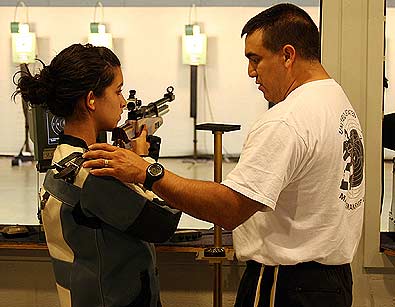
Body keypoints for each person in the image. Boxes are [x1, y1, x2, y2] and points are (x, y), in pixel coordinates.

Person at [83, 4, 365, 307]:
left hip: (286, 285)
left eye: (255, 59)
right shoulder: (336, 100)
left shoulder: (287, 119)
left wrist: (147, 172)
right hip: (331, 284)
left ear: (287, 55)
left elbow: (229, 209)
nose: (250, 71)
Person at [13, 43, 180, 307]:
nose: (124, 102)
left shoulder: (64, 160)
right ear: (91, 100)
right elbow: (164, 224)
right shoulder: (93, 173)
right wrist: (144, 164)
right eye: (118, 90)